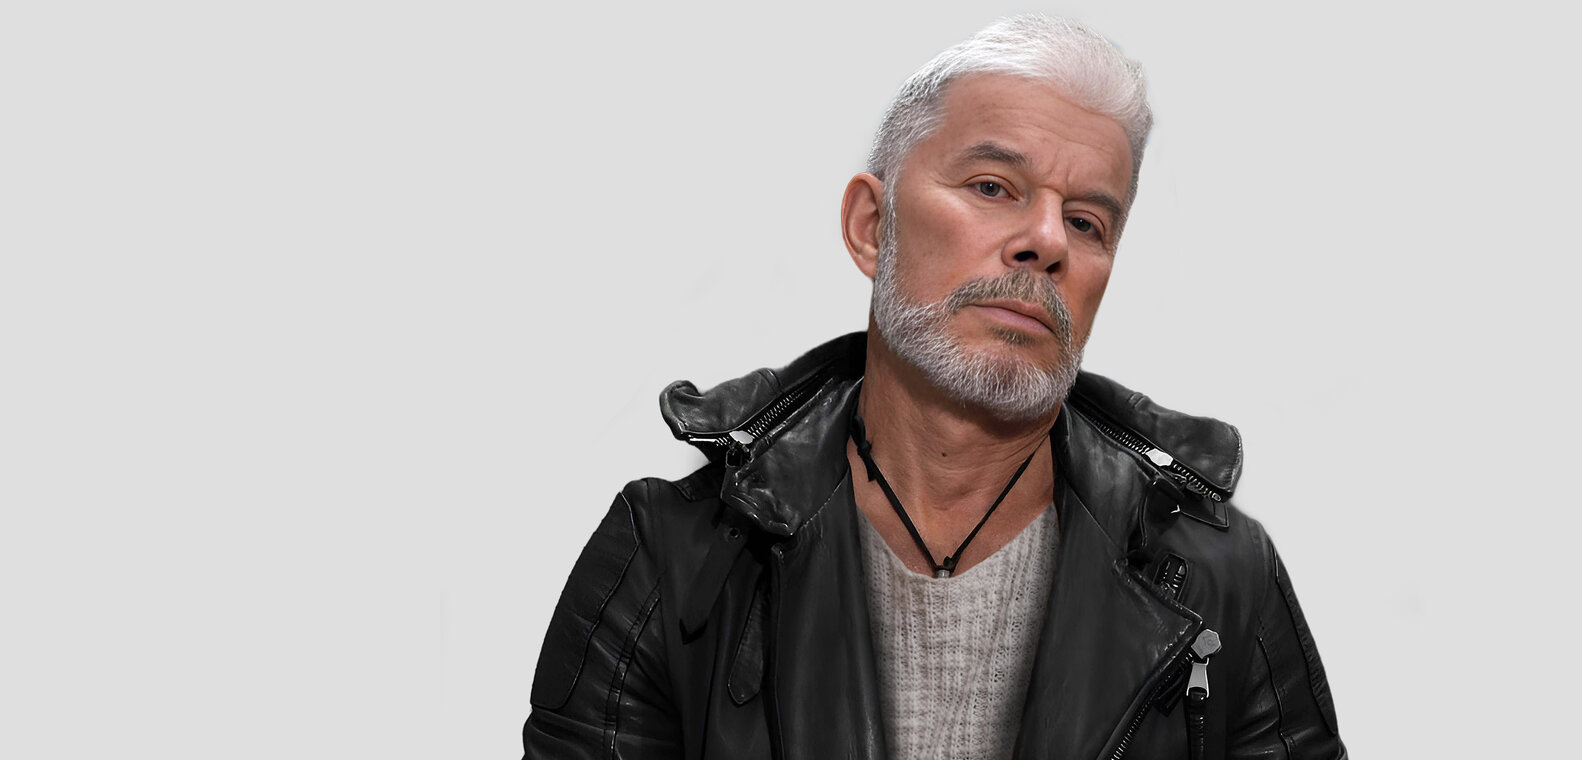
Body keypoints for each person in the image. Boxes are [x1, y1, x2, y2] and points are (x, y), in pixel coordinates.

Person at [521, 14, 1348, 760]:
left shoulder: (1219, 577)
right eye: (993, 187)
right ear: (871, 227)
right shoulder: (674, 557)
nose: (1047, 241)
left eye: (1087, 222)